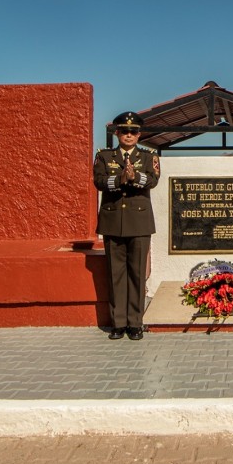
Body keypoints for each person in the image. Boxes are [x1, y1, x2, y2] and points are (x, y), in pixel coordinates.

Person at [93, 112, 160, 341]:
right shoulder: (104, 155)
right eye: (124, 131)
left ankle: (135, 323)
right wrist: (119, 179)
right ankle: (118, 323)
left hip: (139, 223)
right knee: (116, 275)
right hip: (112, 223)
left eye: (133, 132)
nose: (128, 135)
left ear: (139, 135)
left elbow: (152, 180)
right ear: (117, 133)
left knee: (137, 274)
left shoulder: (148, 155)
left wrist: (134, 177)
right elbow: (99, 181)